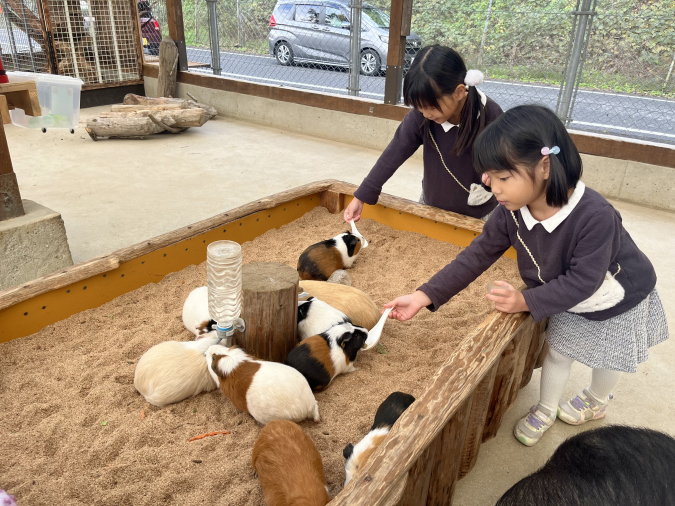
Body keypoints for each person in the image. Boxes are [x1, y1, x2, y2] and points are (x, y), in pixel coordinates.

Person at [383, 105, 669, 447]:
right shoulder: (511, 210)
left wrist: (525, 300)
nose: (493, 187)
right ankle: (546, 409)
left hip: (619, 292)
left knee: (607, 355)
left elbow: (584, 282)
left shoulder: (595, 216)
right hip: (566, 293)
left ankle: (596, 400)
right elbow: (477, 255)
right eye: (490, 176)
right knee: (559, 351)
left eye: (503, 178)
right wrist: (424, 295)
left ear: (544, 166)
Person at [344, 45, 503, 224]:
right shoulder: (422, 115)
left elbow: (508, 168)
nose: (425, 114)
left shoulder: (491, 116)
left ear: (459, 92)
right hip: (430, 206)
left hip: (477, 214)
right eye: (419, 107)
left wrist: (496, 178)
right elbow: (395, 152)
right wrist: (362, 195)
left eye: (430, 107)